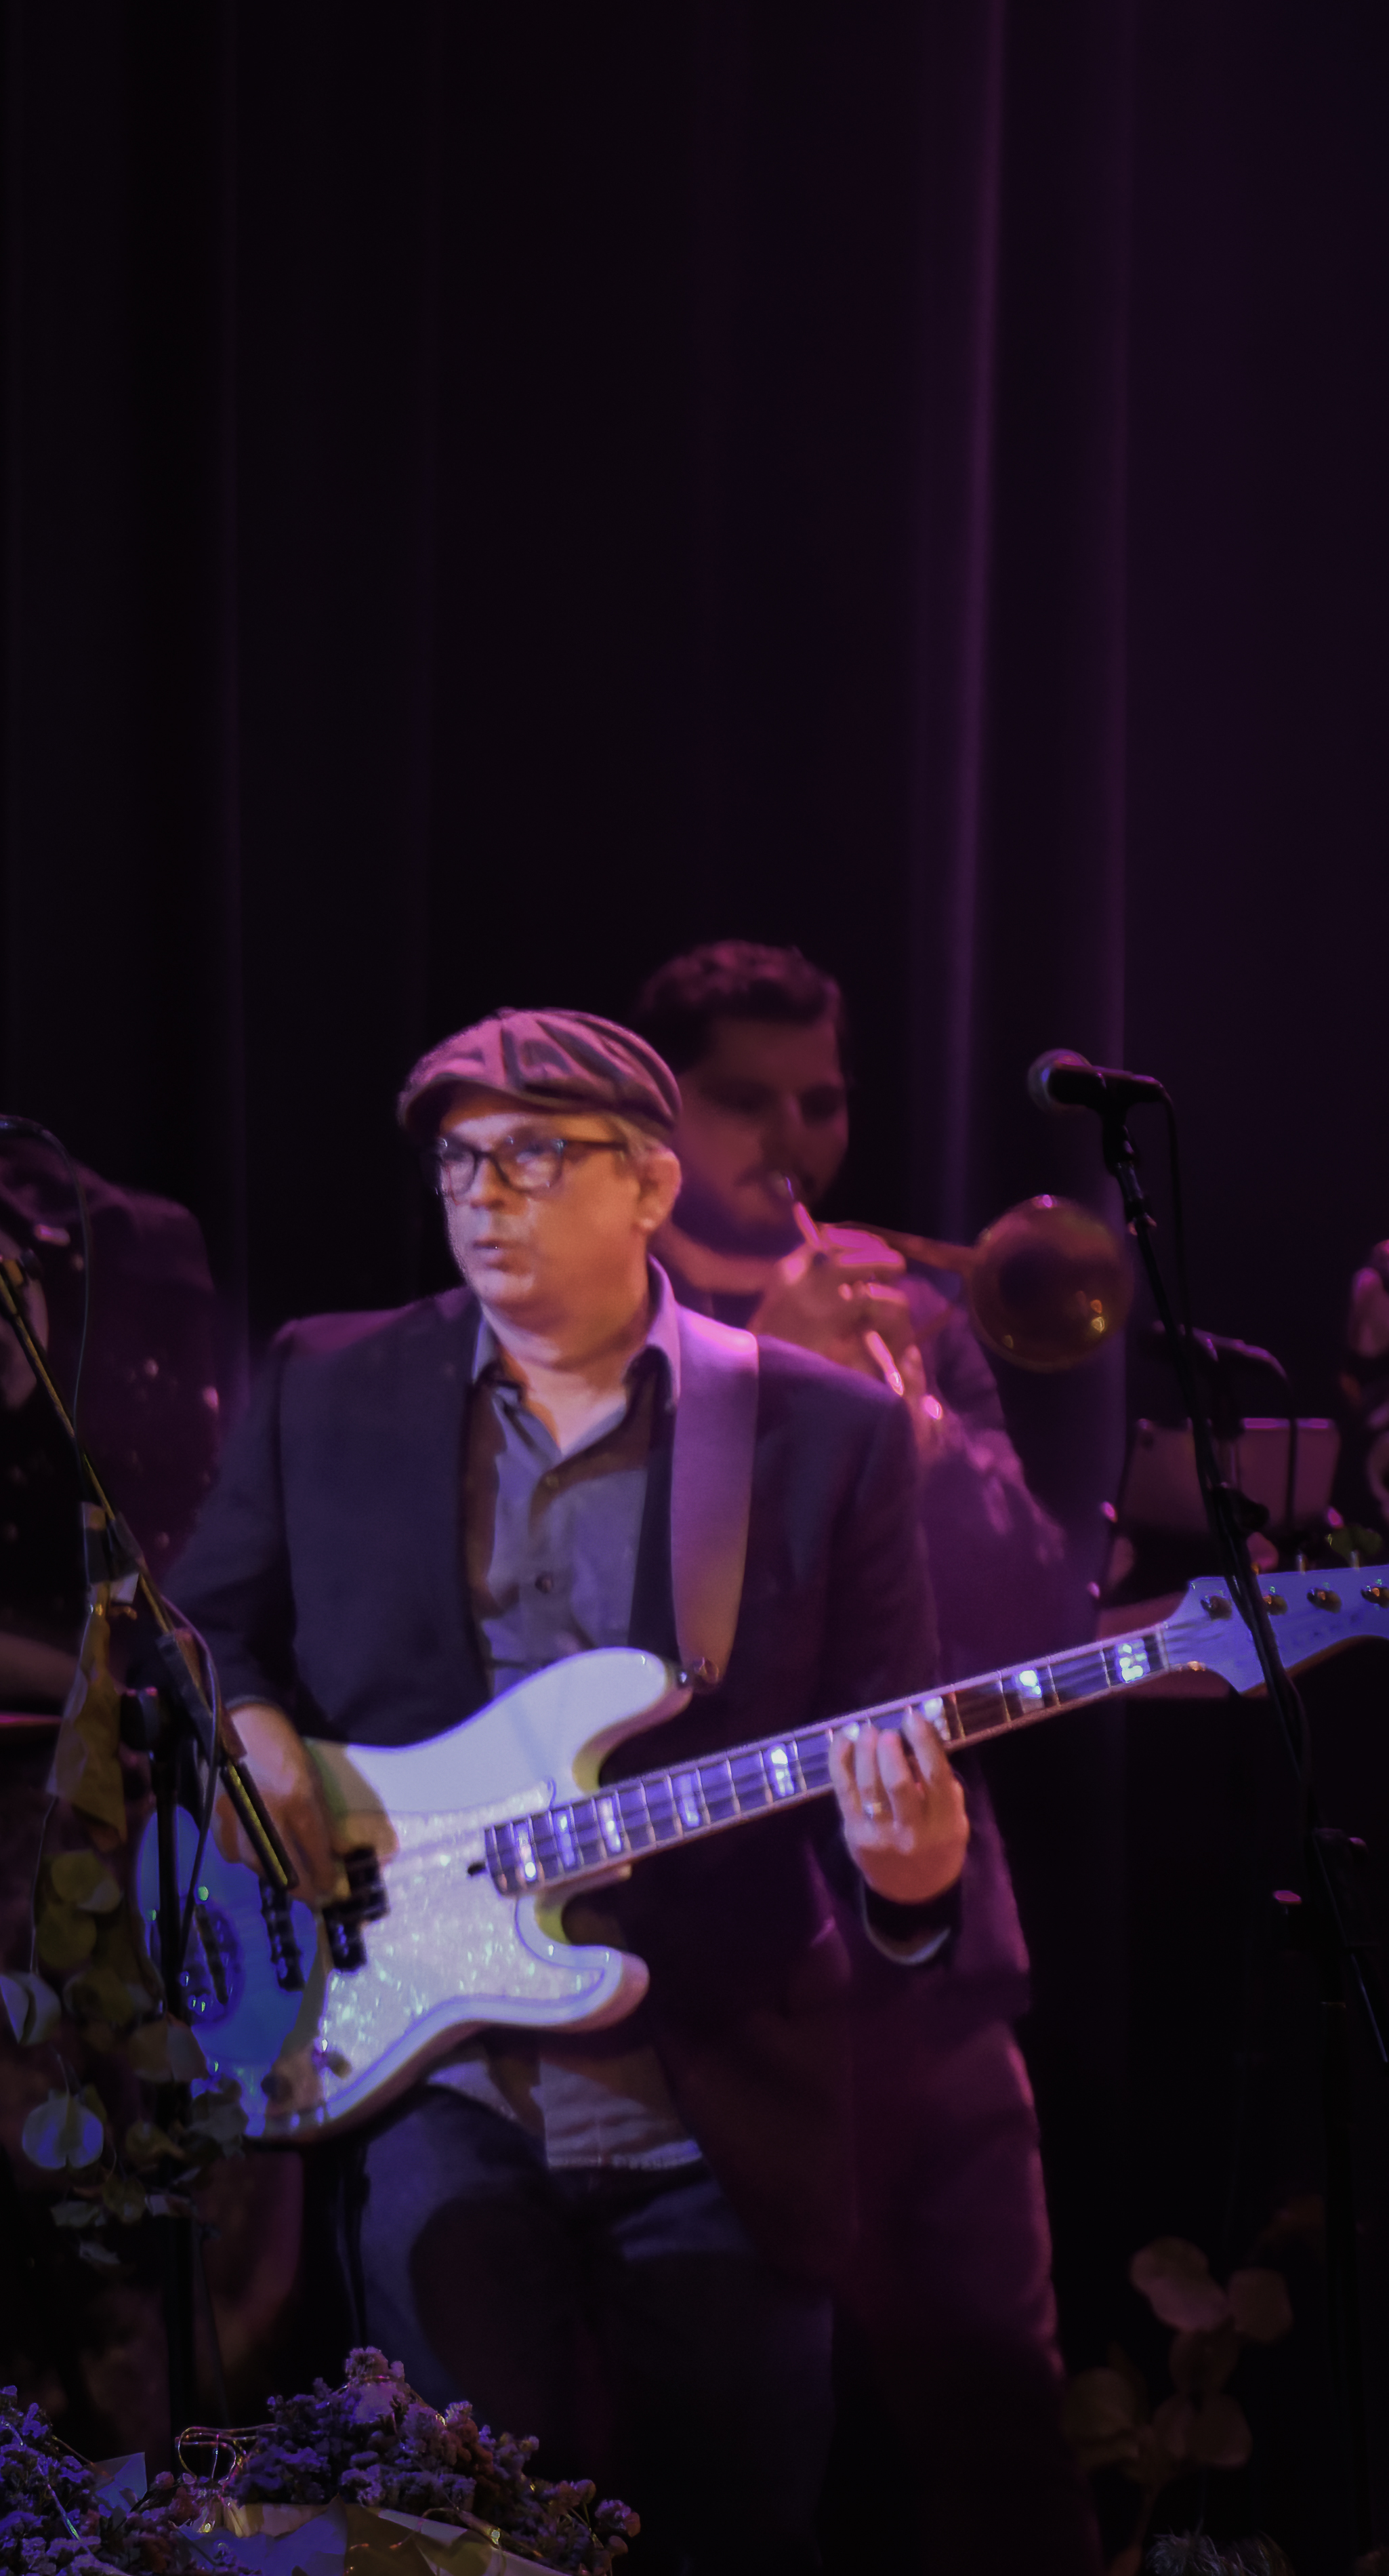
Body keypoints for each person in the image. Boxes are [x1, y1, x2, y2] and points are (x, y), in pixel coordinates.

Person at [174, 1008, 965, 2575]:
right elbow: (198, 1626)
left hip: (717, 2099)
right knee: (470, 2544)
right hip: (427, 2077)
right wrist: (254, 1735)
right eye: (459, 1160)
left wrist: (914, 1876)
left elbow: (890, 1747)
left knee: (736, 2535)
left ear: (652, 1187)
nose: (481, 1193)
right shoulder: (326, 1382)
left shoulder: (822, 1433)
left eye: (533, 1154)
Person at [629, 942, 1096, 2575]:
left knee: (998, 2426)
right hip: (709, 1978)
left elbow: (1036, 1619)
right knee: (717, 2454)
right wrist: (779, 1374)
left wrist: (927, 1433)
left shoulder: (918, 1320)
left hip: (933, 1958)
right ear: (661, 1107)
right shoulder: (611, 1319)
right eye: (744, 1101)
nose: (792, 1143)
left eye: (820, 1103)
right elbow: (643, 1658)